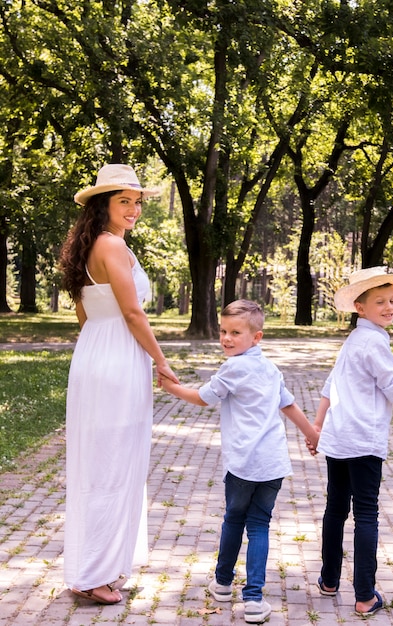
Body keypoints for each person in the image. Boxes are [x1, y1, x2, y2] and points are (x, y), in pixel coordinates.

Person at [59, 164, 179, 604]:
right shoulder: (111, 245)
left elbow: (85, 314)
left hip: (95, 353)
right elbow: (133, 314)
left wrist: (99, 346)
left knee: (102, 461)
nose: (133, 209)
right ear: (102, 206)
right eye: (123, 201)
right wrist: (161, 361)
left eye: (137, 201)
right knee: (112, 463)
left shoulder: (89, 246)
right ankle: (93, 574)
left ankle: (99, 566)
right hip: (117, 358)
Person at [160, 299, 319, 624]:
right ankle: (254, 600)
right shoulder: (270, 368)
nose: (227, 339)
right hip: (273, 463)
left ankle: (222, 584)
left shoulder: (233, 368)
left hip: (244, 465)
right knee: (259, 525)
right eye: (223, 331)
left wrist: (172, 388)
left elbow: (204, 399)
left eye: (235, 333)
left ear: (256, 337)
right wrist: (312, 435)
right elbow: (288, 406)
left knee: (235, 519)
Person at [310, 267, 393, 617]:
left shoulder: (354, 341)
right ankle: (365, 595)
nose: (389, 307)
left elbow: (329, 387)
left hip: (339, 440)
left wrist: (318, 426)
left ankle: (328, 580)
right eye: (379, 302)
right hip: (364, 442)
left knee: (336, 509)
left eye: (392, 301)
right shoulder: (374, 343)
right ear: (360, 307)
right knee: (365, 512)